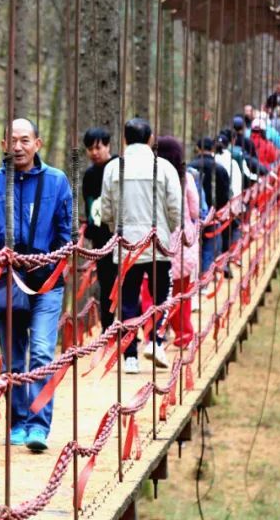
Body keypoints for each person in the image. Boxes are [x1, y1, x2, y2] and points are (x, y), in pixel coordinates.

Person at [0, 118, 72, 453]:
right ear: (4, 144)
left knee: (43, 352)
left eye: (25, 140)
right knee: (14, 358)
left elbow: (65, 232)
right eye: (12, 140)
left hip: (47, 280)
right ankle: (18, 422)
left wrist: (55, 263)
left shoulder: (57, 181)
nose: (18, 146)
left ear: (37, 144)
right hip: (7, 279)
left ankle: (38, 426)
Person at [100, 118, 182, 373]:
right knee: (160, 296)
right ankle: (156, 340)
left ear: (124, 139)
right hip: (158, 244)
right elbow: (175, 208)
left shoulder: (114, 168)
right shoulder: (164, 167)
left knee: (127, 300)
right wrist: (166, 229)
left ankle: (130, 356)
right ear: (150, 139)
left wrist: (118, 230)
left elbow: (106, 209)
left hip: (126, 246)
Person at [155, 136, 204, 348]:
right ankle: (184, 335)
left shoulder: (153, 177)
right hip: (184, 245)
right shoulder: (186, 178)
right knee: (182, 294)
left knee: (159, 292)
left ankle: (157, 332)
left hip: (160, 242)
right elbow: (194, 210)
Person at [81, 127, 118, 331]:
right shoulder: (89, 175)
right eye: (90, 149)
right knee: (106, 283)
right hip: (101, 237)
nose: (94, 152)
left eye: (98, 147)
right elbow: (89, 203)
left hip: (123, 235)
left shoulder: (120, 167)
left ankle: (131, 328)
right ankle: (108, 328)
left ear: (107, 145)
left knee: (128, 282)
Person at [188, 137, 230, 277]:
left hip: (194, 215)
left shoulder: (190, 167)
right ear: (212, 149)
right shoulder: (220, 169)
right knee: (209, 248)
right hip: (215, 214)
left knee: (194, 247)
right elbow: (225, 193)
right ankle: (205, 279)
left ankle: (195, 280)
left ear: (198, 148)